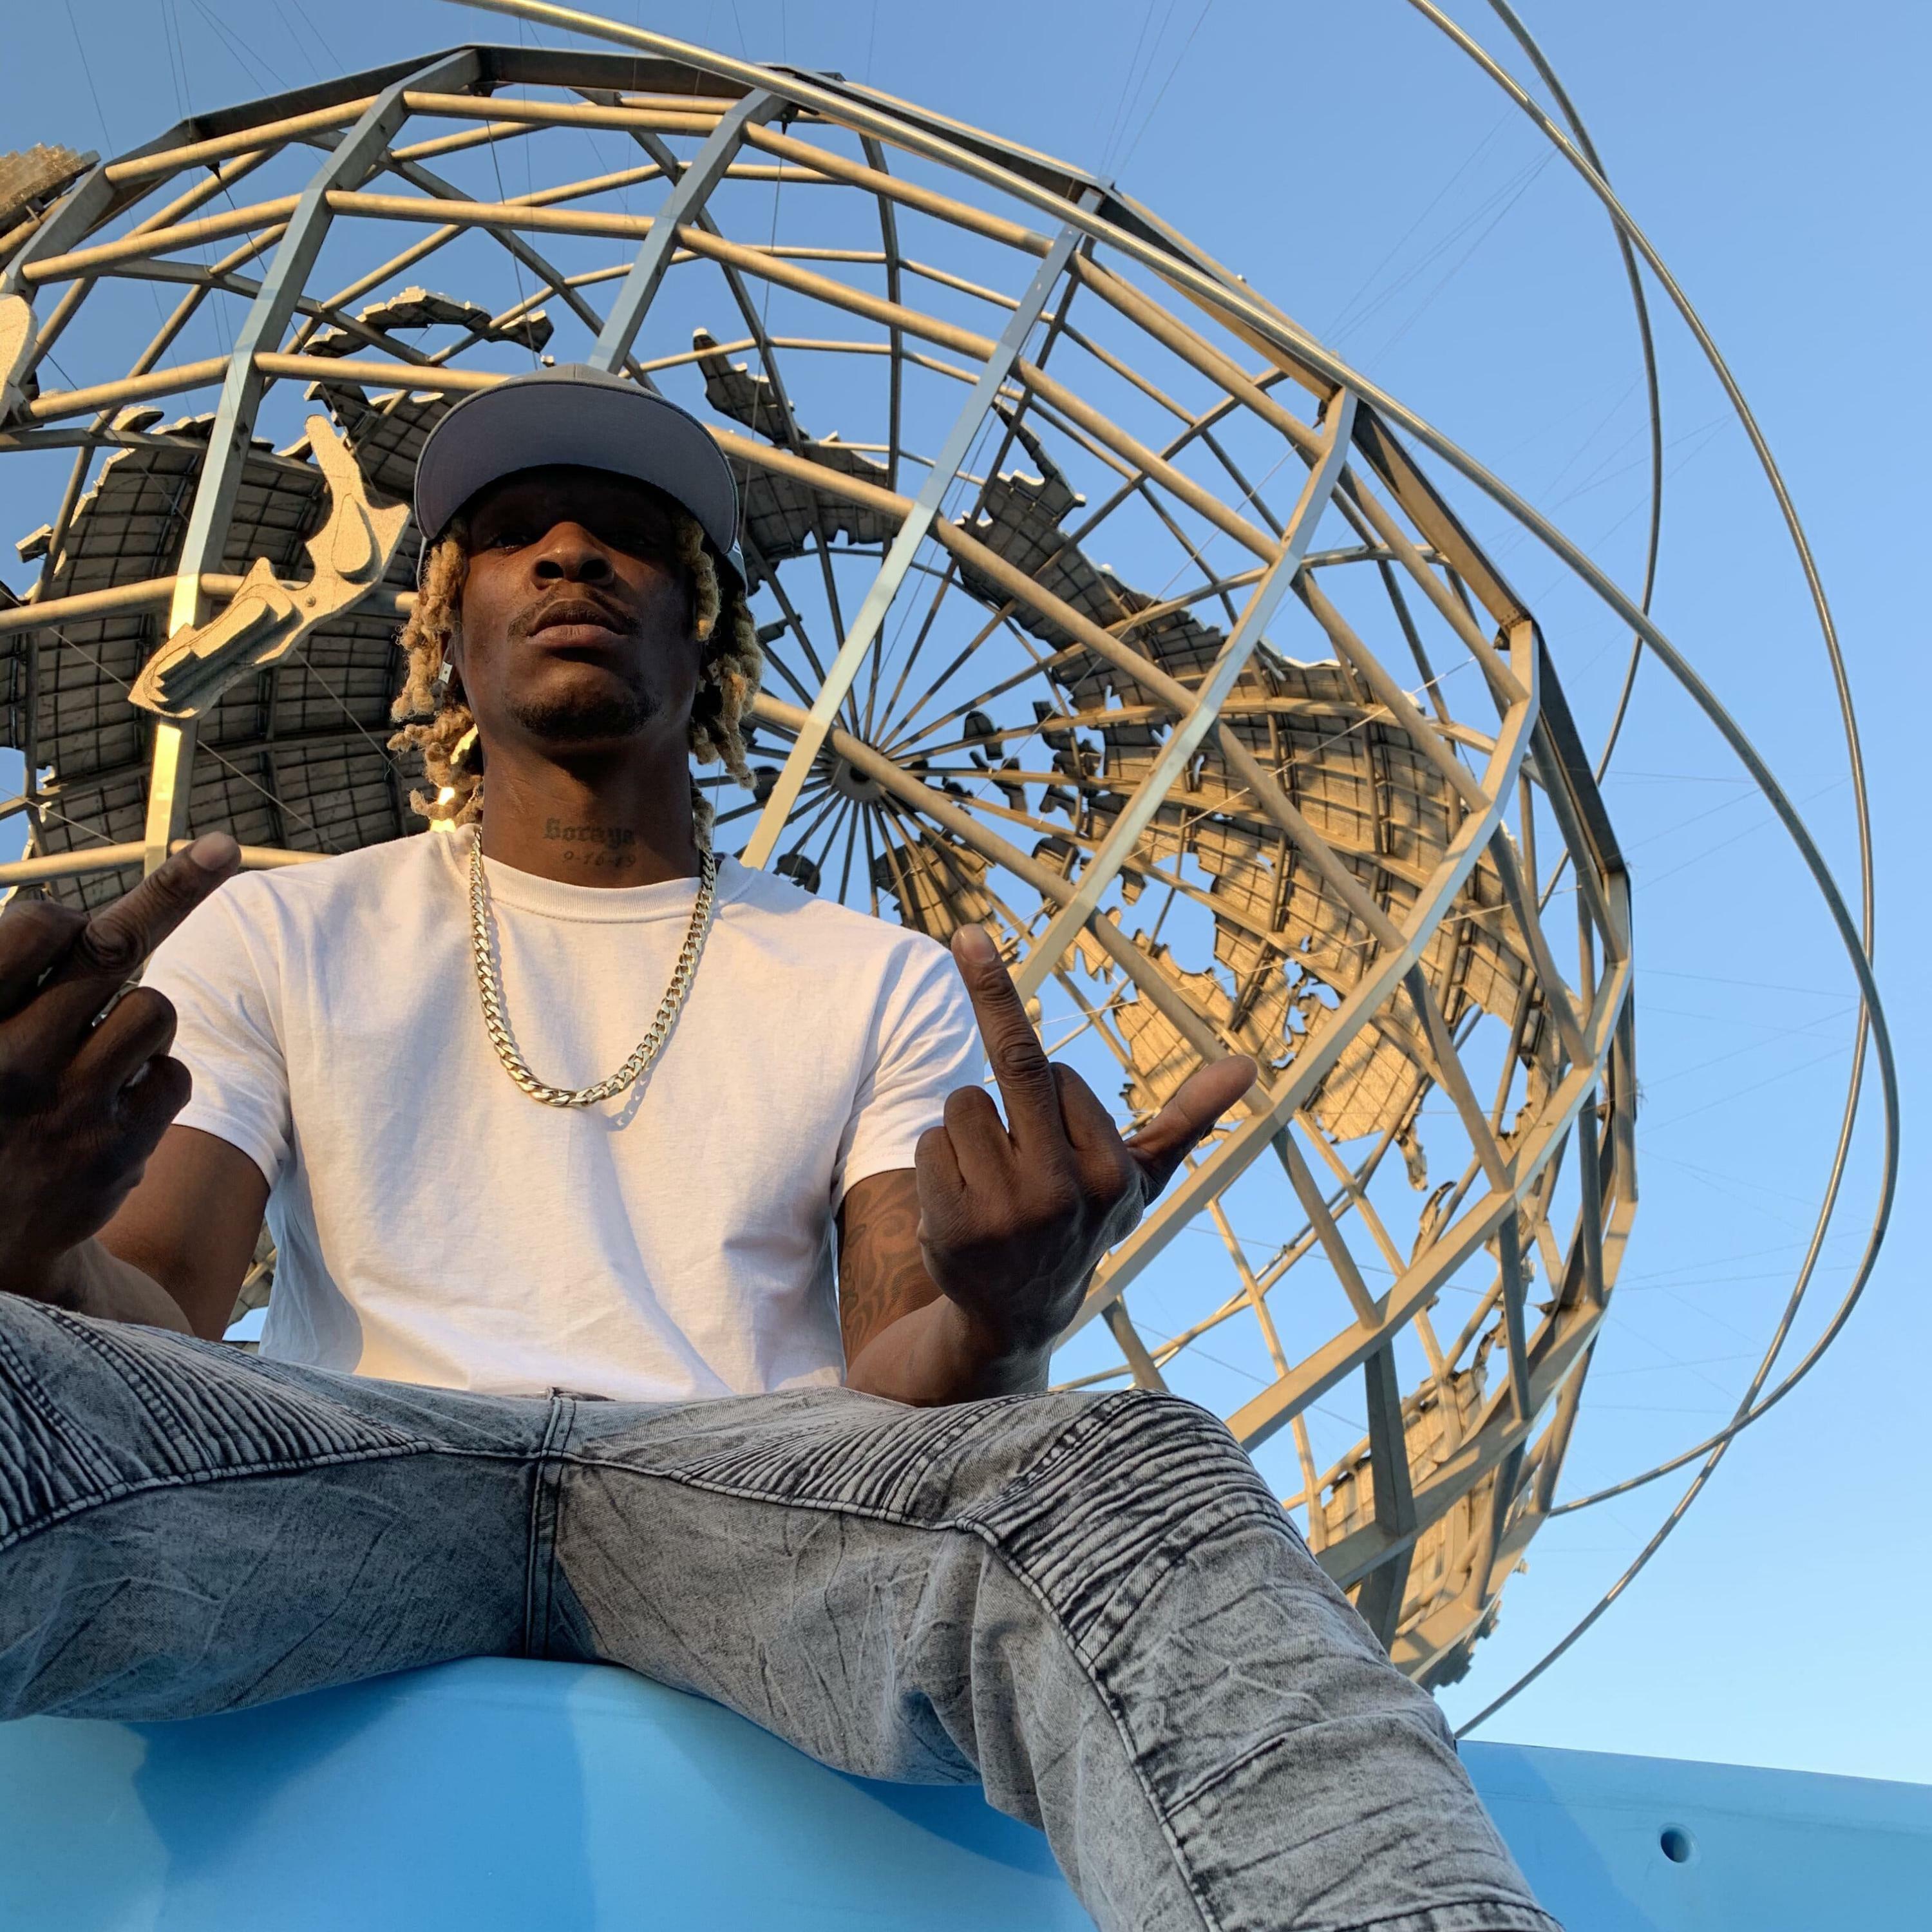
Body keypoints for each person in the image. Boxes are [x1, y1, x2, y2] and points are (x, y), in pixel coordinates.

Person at [0, 365, 1557, 1931]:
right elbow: (154, 1321)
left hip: (744, 1492)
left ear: (708, 637)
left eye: (625, 538)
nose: (568, 554)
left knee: (1130, 1468)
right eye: (514, 536)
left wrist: (1004, 1320)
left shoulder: (876, 977)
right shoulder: (278, 927)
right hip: (344, 1459)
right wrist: (22, 1234)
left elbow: (900, 1370)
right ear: (445, 634)